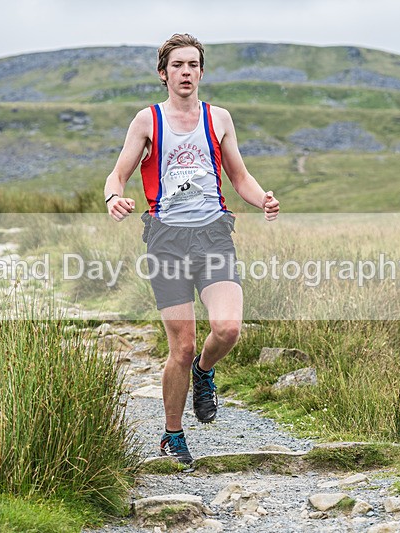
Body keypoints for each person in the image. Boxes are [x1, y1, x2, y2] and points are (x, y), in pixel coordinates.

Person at [104, 33, 279, 465]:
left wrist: (262, 199)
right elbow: (117, 175)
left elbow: (239, 176)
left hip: (213, 235)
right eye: (177, 65)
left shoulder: (218, 118)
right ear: (163, 74)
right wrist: (113, 198)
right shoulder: (147, 121)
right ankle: (173, 434)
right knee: (181, 347)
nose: (186, 72)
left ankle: (204, 371)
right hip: (166, 241)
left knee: (228, 329)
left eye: (193, 65)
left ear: (202, 71)